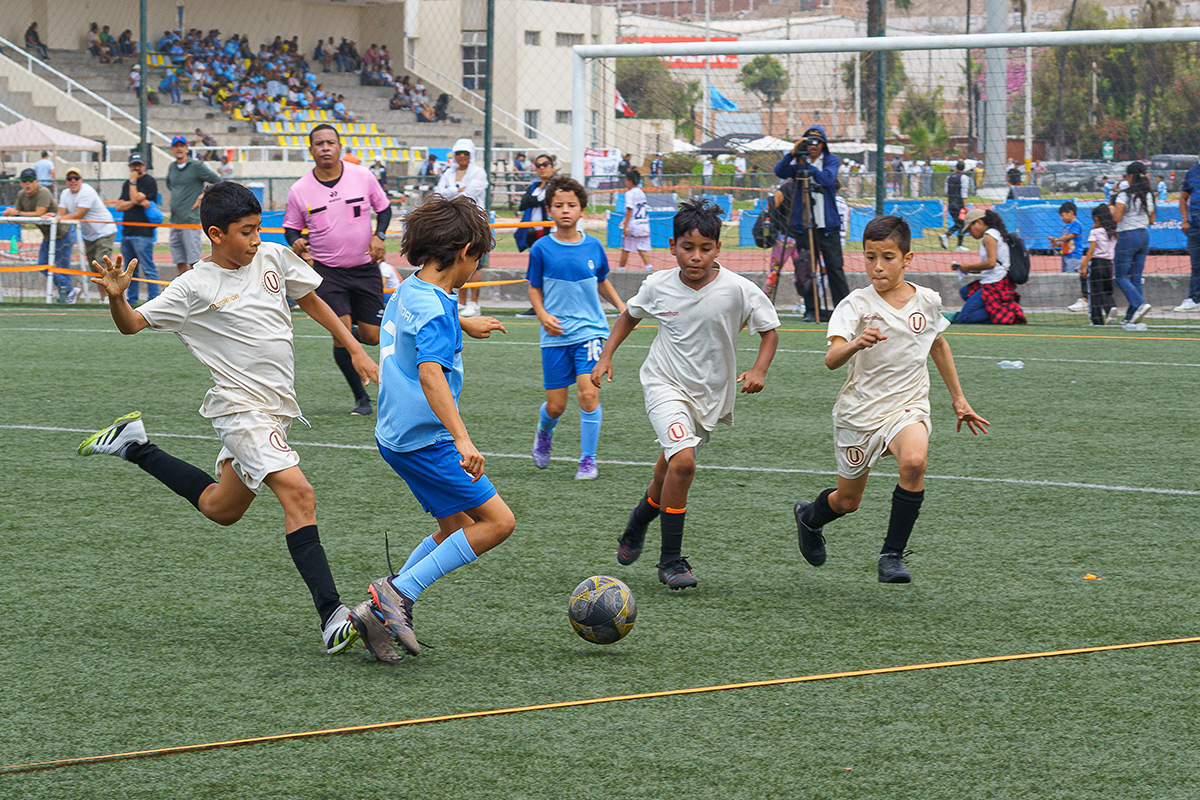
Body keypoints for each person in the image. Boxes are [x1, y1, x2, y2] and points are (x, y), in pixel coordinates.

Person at [77, 181, 378, 656]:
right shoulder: (194, 286)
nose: (256, 239)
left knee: (222, 509)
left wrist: (356, 349)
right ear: (216, 234)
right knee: (300, 494)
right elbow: (131, 324)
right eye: (246, 232)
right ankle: (332, 616)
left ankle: (134, 445)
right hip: (241, 411)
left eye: (259, 229)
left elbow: (311, 299)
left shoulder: (273, 256)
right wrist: (118, 297)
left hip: (276, 411)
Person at [351, 194, 514, 663]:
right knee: (498, 523)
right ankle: (396, 595)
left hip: (394, 434)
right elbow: (430, 374)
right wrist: (462, 438)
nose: (476, 268)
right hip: (426, 440)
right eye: (478, 259)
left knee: (456, 526)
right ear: (464, 251)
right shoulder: (438, 309)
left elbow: (419, 324)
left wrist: (463, 323)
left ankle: (378, 613)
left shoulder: (410, 287)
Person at [592, 199, 780, 590]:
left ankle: (639, 520)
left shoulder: (738, 289)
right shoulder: (658, 285)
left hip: (708, 396)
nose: (696, 257)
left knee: (668, 469)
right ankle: (671, 561)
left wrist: (759, 369)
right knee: (684, 463)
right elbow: (629, 316)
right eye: (687, 247)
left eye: (705, 248)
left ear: (718, 248)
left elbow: (769, 331)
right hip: (664, 385)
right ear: (673, 246)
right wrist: (606, 356)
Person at [793, 215, 989, 584]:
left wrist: (959, 399)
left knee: (914, 462)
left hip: (907, 406)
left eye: (887, 257)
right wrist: (856, 343)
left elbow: (937, 344)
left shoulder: (927, 300)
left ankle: (892, 556)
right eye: (870, 257)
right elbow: (831, 359)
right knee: (847, 502)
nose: (878, 266)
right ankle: (809, 516)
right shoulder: (855, 304)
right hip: (860, 412)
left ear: (907, 258)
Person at [284, 124, 391, 416]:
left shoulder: (363, 176)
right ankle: (361, 398)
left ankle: (348, 327)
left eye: (330, 142)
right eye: (319, 143)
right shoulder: (300, 189)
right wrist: (297, 242)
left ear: (340, 147)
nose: (325, 148)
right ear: (311, 150)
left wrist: (379, 235)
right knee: (341, 335)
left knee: (372, 336)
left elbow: (384, 209)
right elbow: (291, 228)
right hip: (327, 272)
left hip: (365, 268)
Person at [528, 176, 626, 480]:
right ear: (549, 210)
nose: (565, 210)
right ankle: (544, 432)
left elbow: (602, 281)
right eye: (558, 205)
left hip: (590, 332)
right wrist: (543, 315)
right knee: (556, 406)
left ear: (582, 209)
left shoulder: (594, 246)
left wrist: (623, 309)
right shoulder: (541, 248)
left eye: (571, 205)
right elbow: (534, 288)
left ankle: (587, 460)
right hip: (555, 335)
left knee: (588, 395)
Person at [774, 125, 850, 319]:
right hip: (804, 225)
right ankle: (811, 309)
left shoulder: (830, 160)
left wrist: (808, 166)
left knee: (835, 268)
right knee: (805, 268)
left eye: (817, 142)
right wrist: (792, 153)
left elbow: (827, 179)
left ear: (823, 145)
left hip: (828, 227)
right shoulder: (798, 163)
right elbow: (780, 171)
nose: (813, 146)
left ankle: (844, 310)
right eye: (809, 142)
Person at [433, 138, 488, 316]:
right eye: (459, 153)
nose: (462, 156)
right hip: (453, 222)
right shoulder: (448, 172)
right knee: (457, 261)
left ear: (471, 155)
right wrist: (457, 190)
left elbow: (469, 195)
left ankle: (474, 303)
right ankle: (461, 302)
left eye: (466, 153)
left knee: (475, 263)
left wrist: (451, 191)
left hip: (474, 222)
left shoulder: (479, 172)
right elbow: (439, 193)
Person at [2, 168, 75, 302]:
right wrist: (9, 214)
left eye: (30, 180)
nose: (27, 183)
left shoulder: (43, 192)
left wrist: (16, 214)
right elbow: (17, 216)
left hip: (63, 233)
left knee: (62, 267)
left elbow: (39, 213)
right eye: (24, 180)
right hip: (48, 236)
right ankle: (69, 290)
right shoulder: (21, 195)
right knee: (42, 264)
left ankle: (67, 294)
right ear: (20, 183)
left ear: (36, 181)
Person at [950, 208, 1026, 325]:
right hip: (995, 279)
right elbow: (991, 265)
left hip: (996, 283)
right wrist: (964, 268)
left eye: (970, 229)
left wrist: (969, 266)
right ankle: (997, 309)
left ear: (979, 222)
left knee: (964, 318)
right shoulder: (994, 233)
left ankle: (1008, 310)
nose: (970, 233)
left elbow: (991, 263)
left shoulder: (990, 235)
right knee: (965, 292)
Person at [57, 168, 118, 301]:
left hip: (104, 231)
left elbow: (78, 214)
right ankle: (104, 298)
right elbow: (60, 213)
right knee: (95, 267)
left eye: (76, 178)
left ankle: (112, 298)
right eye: (69, 179)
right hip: (90, 235)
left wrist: (58, 218)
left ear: (81, 180)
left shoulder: (87, 191)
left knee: (101, 264)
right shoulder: (65, 193)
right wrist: (54, 217)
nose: (73, 181)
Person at [165, 135, 220, 276]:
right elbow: (171, 186)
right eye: (176, 146)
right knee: (179, 261)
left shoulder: (196, 166)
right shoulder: (172, 167)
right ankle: (182, 289)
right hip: (175, 221)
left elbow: (218, 181)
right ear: (172, 149)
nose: (179, 149)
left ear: (187, 149)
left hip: (190, 221)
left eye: (182, 146)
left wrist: (204, 195)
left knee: (194, 262)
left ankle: (199, 287)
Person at [1111, 161, 1155, 325]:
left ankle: (1140, 304)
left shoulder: (1124, 195)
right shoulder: (1149, 194)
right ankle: (1131, 315)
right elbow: (1152, 219)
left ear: (1130, 176)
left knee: (1120, 276)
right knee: (1136, 277)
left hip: (1127, 235)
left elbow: (1117, 218)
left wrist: (1112, 209)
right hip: (1144, 235)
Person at [115, 152, 160, 305]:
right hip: (127, 232)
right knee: (129, 270)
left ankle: (154, 299)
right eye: (134, 165)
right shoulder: (126, 184)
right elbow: (120, 206)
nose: (136, 168)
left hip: (143, 233)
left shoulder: (149, 182)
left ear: (144, 165)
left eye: (139, 165)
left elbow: (133, 198)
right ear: (129, 166)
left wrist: (133, 184)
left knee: (148, 268)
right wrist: (135, 201)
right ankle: (132, 299)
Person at [1080, 204, 1119, 326]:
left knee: (1095, 293)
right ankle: (1110, 308)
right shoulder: (1113, 232)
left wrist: (1084, 265)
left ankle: (1096, 320)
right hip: (1109, 264)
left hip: (1097, 263)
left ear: (1096, 218)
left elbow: (1091, 250)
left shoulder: (1095, 232)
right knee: (1107, 291)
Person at [1049, 201, 1086, 313]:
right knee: (1065, 275)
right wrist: (1056, 244)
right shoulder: (1067, 226)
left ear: (1071, 213)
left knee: (1072, 275)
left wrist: (1057, 239)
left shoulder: (1076, 224)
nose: (1061, 218)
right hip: (1066, 254)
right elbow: (1065, 241)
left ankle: (1076, 298)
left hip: (1074, 255)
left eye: (1063, 215)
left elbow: (1070, 237)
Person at [515, 153, 556, 253]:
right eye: (538, 165)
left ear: (552, 166)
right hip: (532, 230)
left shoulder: (556, 185)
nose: (542, 168)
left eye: (545, 164)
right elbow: (523, 205)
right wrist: (537, 200)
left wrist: (533, 200)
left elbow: (547, 202)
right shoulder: (534, 186)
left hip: (550, 229)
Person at [1175, 151, 1200, 313]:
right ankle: (1195, 298)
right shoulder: (1192, 172)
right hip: (1196, 226)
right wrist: (1185, 220)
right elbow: (1183, 198)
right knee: (1196, 264)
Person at [618, 168, 652, 270]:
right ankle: (649, 268)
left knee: (625, 248)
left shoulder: (630, 193)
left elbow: (629, 209)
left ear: (630, 181)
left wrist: (625, 226)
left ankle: (621, 269)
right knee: (642, 248)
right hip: (643, 223)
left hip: (633, 224)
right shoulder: (641, 192)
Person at [939, 161, 969, 251]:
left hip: (951, 204)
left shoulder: (949, 177)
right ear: (964, 169)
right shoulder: (964, 177)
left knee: (959, 224)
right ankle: (953, 241)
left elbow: (946, 191)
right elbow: (964, 193)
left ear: (956, 168)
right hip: (960, 205)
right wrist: (965, 206)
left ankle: (948, 237)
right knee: (962, 224)